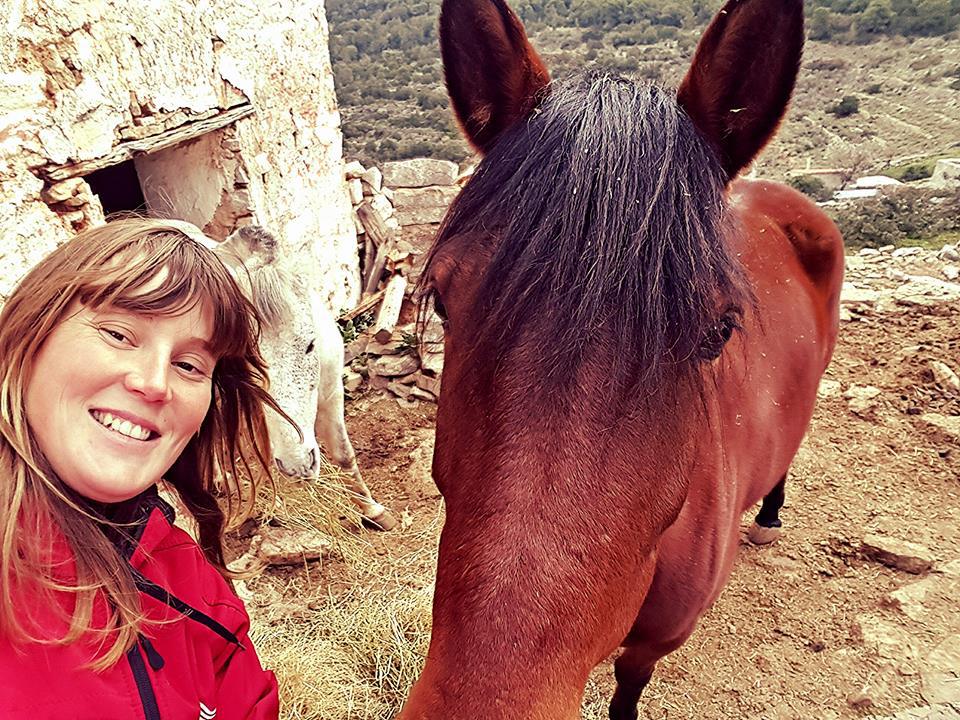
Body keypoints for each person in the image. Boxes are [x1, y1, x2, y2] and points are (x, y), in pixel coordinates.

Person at [0, 218, 284, 718]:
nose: (155, 383)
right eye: (118, 333)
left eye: (190, 365)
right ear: (31, 333)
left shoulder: (191, 581)